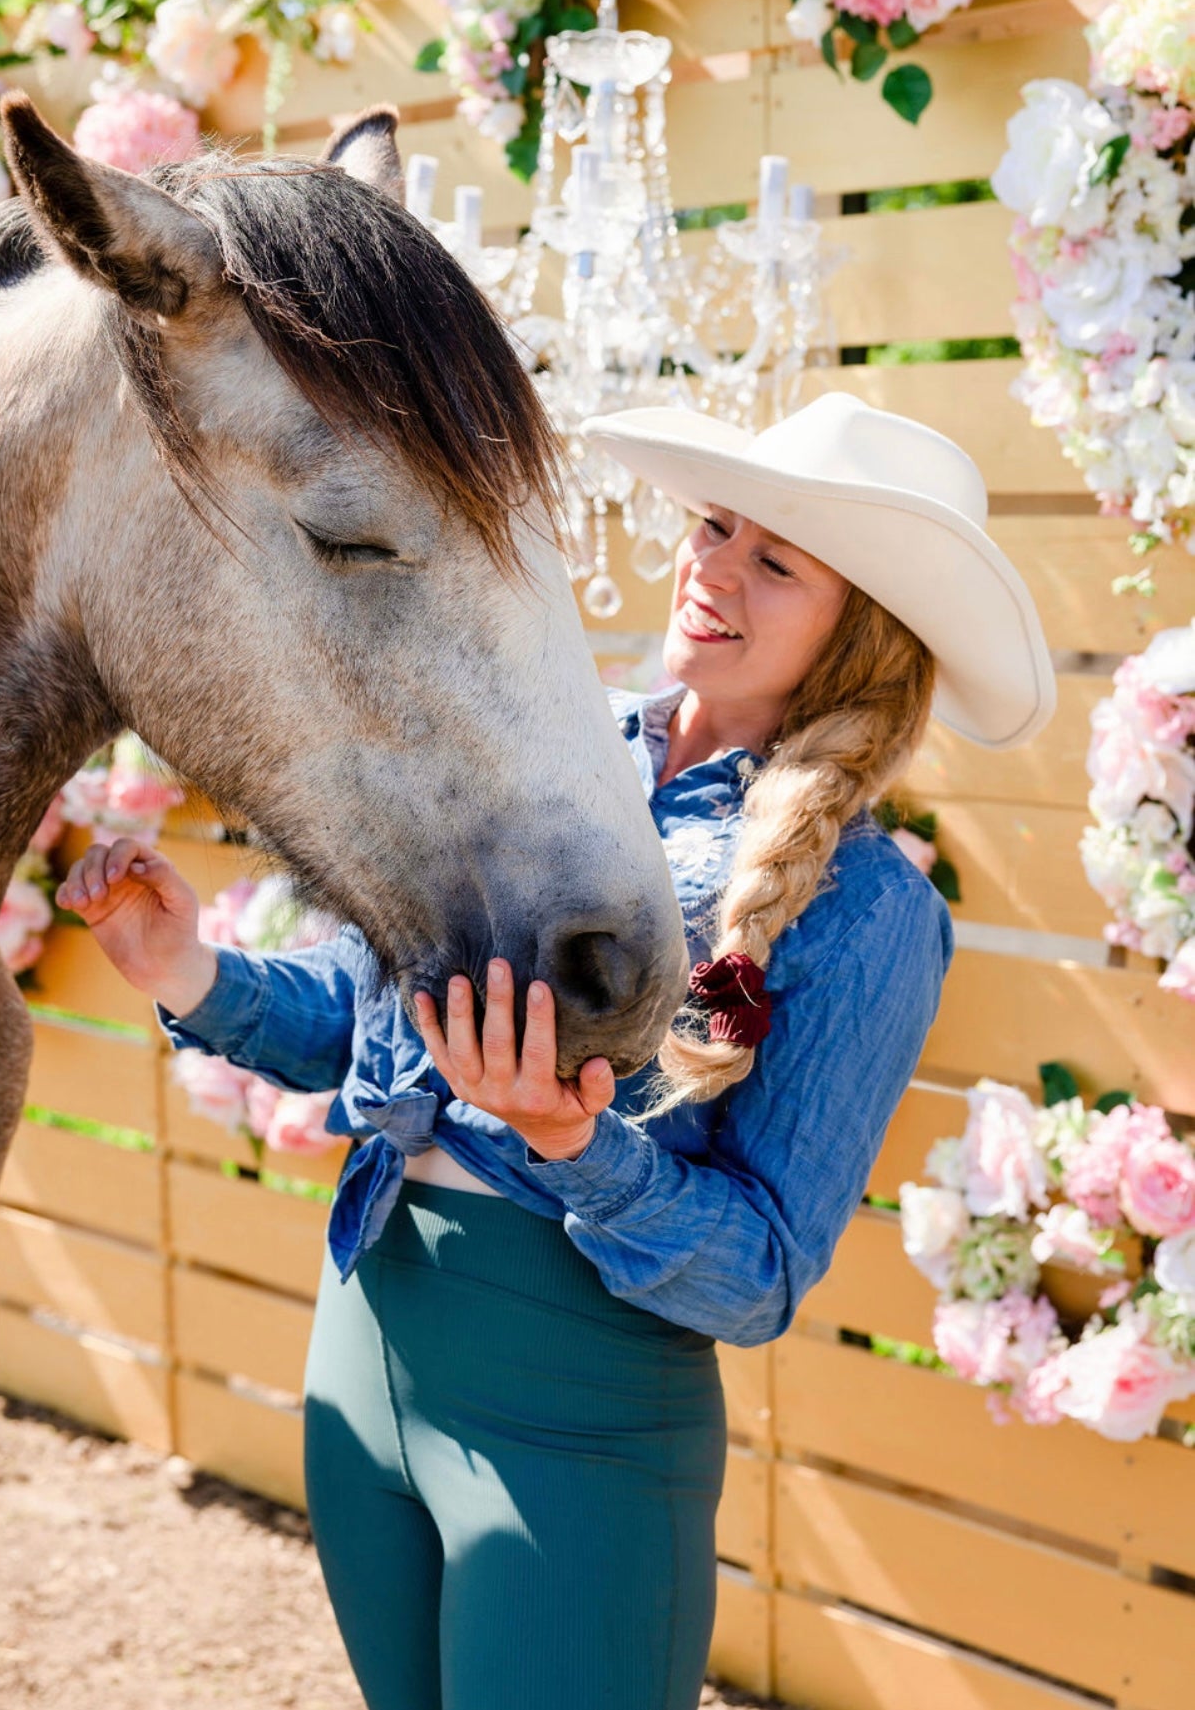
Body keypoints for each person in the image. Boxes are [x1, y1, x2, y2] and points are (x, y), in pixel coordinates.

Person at [57, 392, 1055, 1710]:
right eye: (714, 526)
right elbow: (361, 1023)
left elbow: (758, 1271)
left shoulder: (871, 909)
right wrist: (181, 966)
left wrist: (574, 1145)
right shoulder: (528, 752)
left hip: (580, 1421)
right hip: (364, 1348)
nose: (712, 569)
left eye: (777, 561)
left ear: (861, 634)